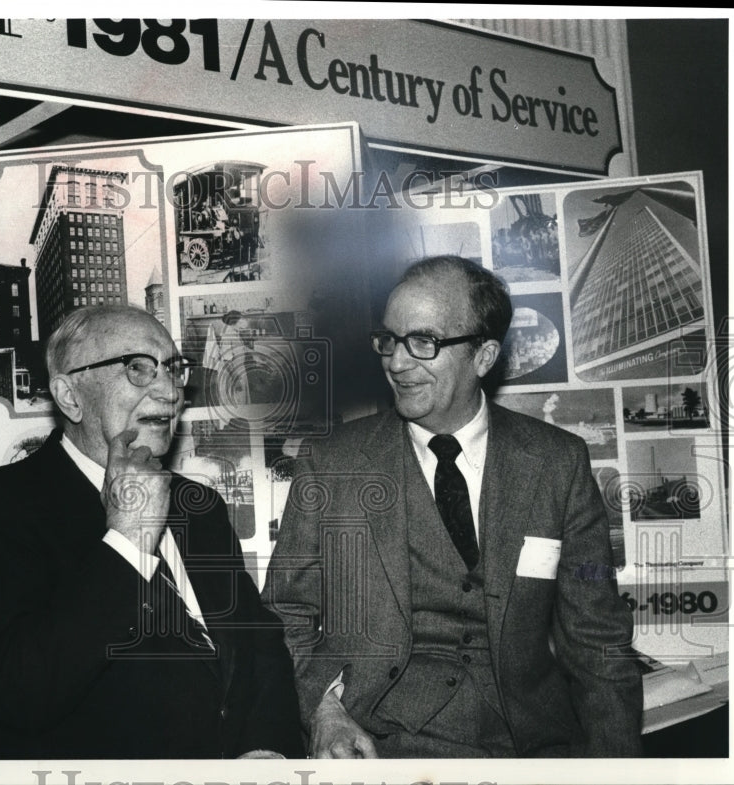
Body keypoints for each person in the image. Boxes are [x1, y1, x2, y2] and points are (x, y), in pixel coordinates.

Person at [264, 256, 641, 758]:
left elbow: (598, 644)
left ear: (483, 356)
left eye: (424, 342)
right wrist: (325, 710)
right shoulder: (332, 464)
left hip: (530, 749)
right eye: (389, 341)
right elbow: (282, 617)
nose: (397, 363)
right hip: (383, 748)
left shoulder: (557, 463)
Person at [0, 305, 303, 759]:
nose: (170, 391)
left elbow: (259, 642)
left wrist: (266, 747)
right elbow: (18, 693)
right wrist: (125, 541)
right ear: (70, 396)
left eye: (173, 370)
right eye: (137, 368)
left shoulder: (200, 507)